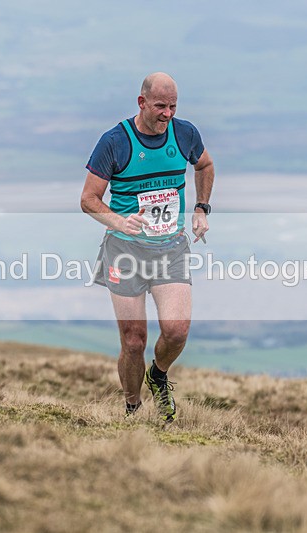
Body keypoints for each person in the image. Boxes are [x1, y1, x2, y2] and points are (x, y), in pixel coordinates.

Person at [80, 72, 215, 422]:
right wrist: (118, 221)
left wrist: (201, 208)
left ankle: (158, 374)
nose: (167, 114)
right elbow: (89, 199)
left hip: (170, 248)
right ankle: (132, 407)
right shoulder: (115, 141)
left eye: (172, 106)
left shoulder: (185, 134)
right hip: (124, 251)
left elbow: (205, 164)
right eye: (160, 106)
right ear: (142, 103)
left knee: (176, 331)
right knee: (134, 340)